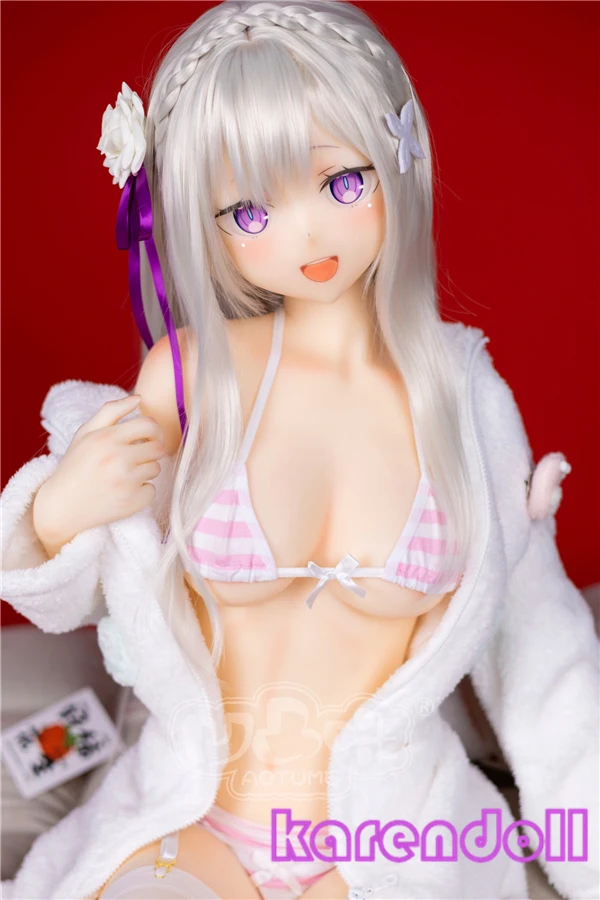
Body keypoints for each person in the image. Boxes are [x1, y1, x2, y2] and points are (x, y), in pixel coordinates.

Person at [1, 2, 598, 898]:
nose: (306, 235)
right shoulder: (194, 378)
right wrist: (53, 514)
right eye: (250, 209)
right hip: (195, 813)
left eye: (341, 183)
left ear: (400, 155)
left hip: (391, 835)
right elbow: (93, 588)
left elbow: (541, 653)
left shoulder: (463, 396)